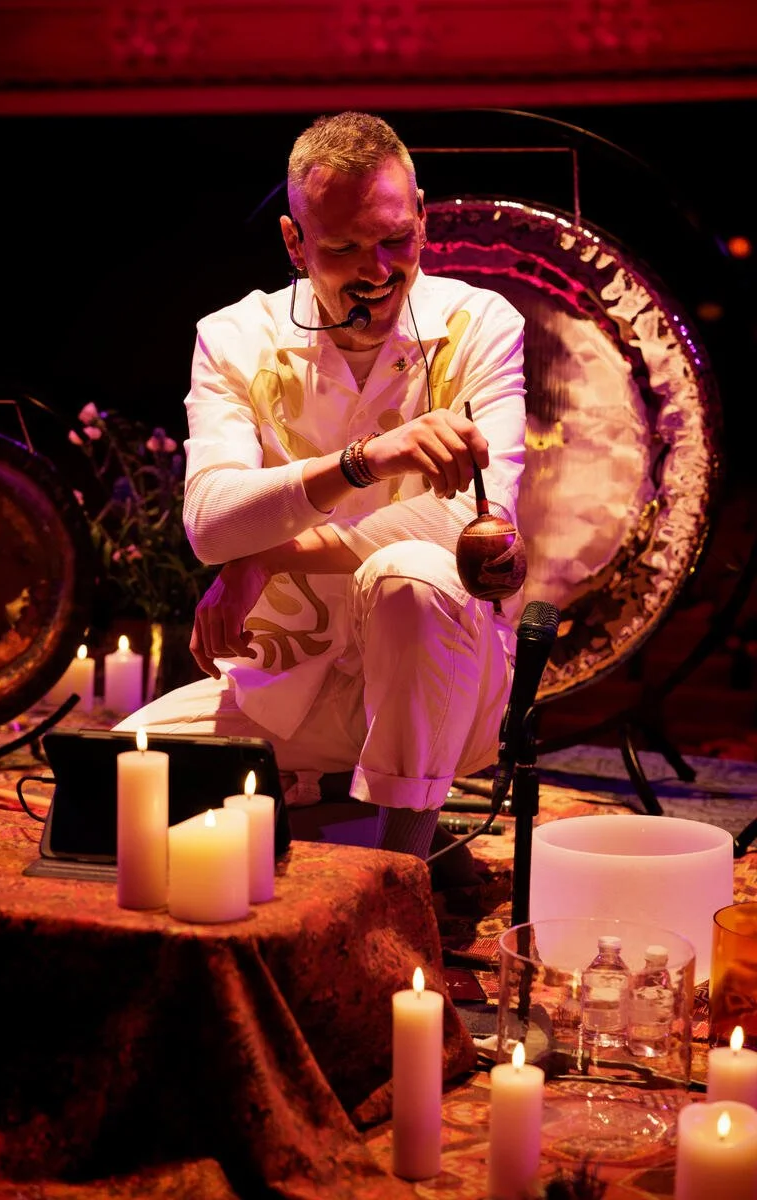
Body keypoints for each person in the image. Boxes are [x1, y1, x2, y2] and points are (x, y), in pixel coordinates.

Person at [117, 110, 527, 860]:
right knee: (113, 784)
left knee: (409, 579)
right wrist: (364, 461)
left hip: (444, 683)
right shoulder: (235, 337)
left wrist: (268, 556)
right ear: (294, 242)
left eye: (396, 239)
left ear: (424, 219)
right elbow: (210, 524)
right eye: (343, 248)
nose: (378, 270)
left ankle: (401, 868)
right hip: (287, 684)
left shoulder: (481, 323)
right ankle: (328, 812)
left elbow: (476, 530)